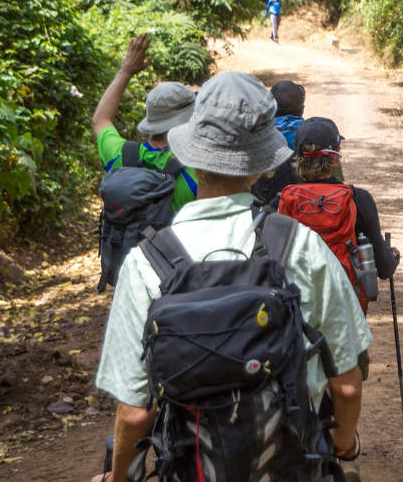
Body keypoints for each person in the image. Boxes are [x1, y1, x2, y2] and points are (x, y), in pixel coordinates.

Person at [91, 71, 371, 482]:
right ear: (260, 167)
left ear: (189, 154)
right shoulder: (300, 245)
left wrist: (117, 479)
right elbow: (347, 385)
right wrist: (344, 442)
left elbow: (134, 415)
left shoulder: (146, 262)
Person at [277, 117, 400, 314]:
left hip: (299, 309)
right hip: (346, 311)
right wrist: (393, 256)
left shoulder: (286, 200)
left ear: (299, 158)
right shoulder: (359, 200)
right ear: (334, 158)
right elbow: (383, 268)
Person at [92, 33, 198, 212]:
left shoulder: (120, 156)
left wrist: (125, 71)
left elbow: (100, 120)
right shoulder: (199, 174)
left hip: (124, 241)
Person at [251, 80, 306, 203]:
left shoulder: (254, 131)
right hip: (299, 205)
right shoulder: (309, 133)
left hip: (257, 203)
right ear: (301, 110)